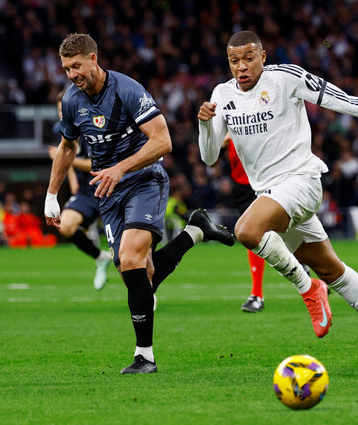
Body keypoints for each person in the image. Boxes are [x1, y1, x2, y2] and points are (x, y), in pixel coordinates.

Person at [198, 31, 358, 376]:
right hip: (272, 196)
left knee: (245, 230)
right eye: (234, 61)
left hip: (301, 181)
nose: (241, 67)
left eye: (248, 58)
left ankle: (309, 289)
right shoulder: (222, 94)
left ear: (263, 55)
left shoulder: (286, 77)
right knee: (334, 270)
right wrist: (204, 125)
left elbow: (341, 99)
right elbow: (209, 157)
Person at [45, 33, 234, 375]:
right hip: (108, 192)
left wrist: (119, 168)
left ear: (93, 58)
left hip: (144, 180)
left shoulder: (127, 90)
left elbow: (163, 141)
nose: (72, 74)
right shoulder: (72, 101)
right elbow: (67, 147)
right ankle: (195, 232)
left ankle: (144, 356)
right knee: (136, 274)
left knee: (131, 259)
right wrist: (51, 196)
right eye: (66, 69)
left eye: (76, 66)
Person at [49, 90, 113, 290]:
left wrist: (70, 162)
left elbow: (96, 164)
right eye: (59, 109)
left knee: (126, 251)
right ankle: (100, 257)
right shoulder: (62, 127)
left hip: (110, 186)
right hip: (87, 190)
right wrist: (71, 177)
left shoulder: (94, 124)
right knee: (65, 225)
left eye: (64, 109)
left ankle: (146, 290)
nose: (62, 113)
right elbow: (67, 153)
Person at [222, 133, 266, 313]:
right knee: (253, 236)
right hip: (241, 184)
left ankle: (257, 295)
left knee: (254, 235)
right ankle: (310, 278)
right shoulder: (224, 110)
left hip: (260, 181)